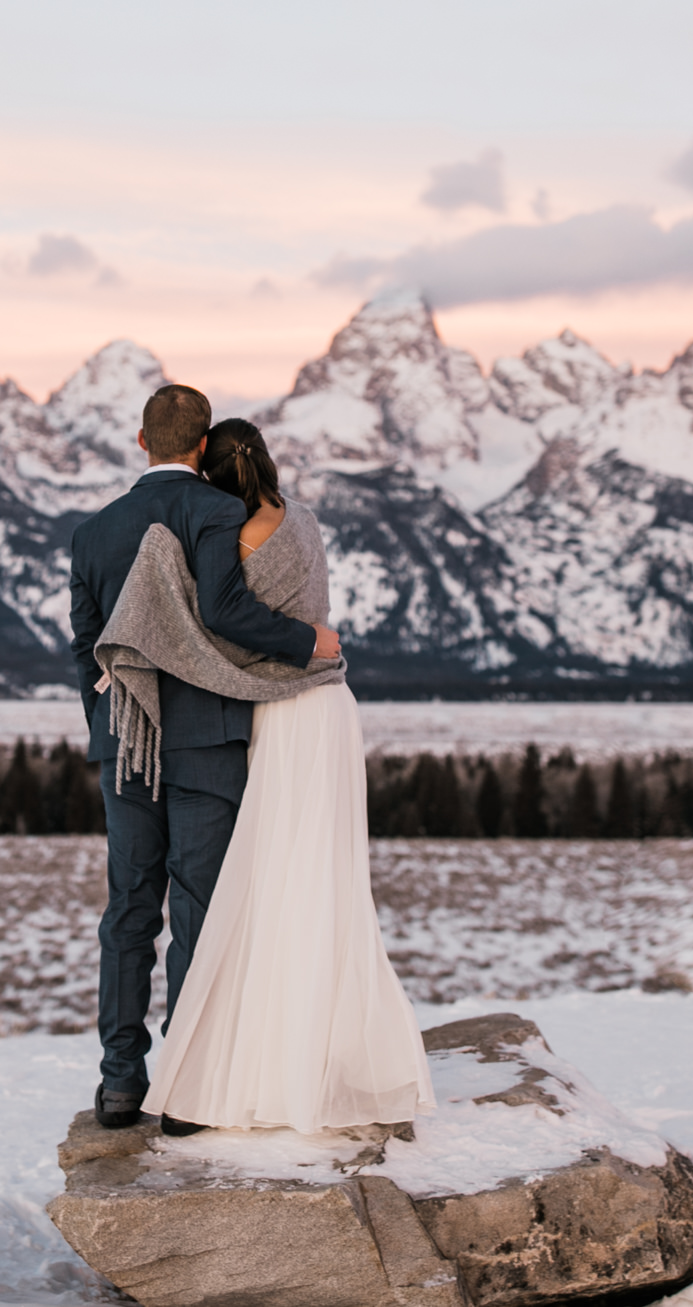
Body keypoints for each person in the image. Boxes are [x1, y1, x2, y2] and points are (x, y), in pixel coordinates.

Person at [119, 418, 435, 1136]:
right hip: (333, 706)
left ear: (214, 475)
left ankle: (258, 1065)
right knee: (329, 885)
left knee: (271, 884)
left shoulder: (226, 537)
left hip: (287, 713)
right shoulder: (308, 520)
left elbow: (216, 619)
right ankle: (332, 1057)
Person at [68, 385, 339, 1129]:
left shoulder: (91, 534)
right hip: (208, 736)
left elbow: (84, 646)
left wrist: (112, 719)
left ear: (140, 440)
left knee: (129, 906)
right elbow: (225, 611)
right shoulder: (219, 512)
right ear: (199, 448)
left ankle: (122, 1082)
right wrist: (308, 642)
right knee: (198, 909)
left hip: (127, 741)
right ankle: (187, 1088)